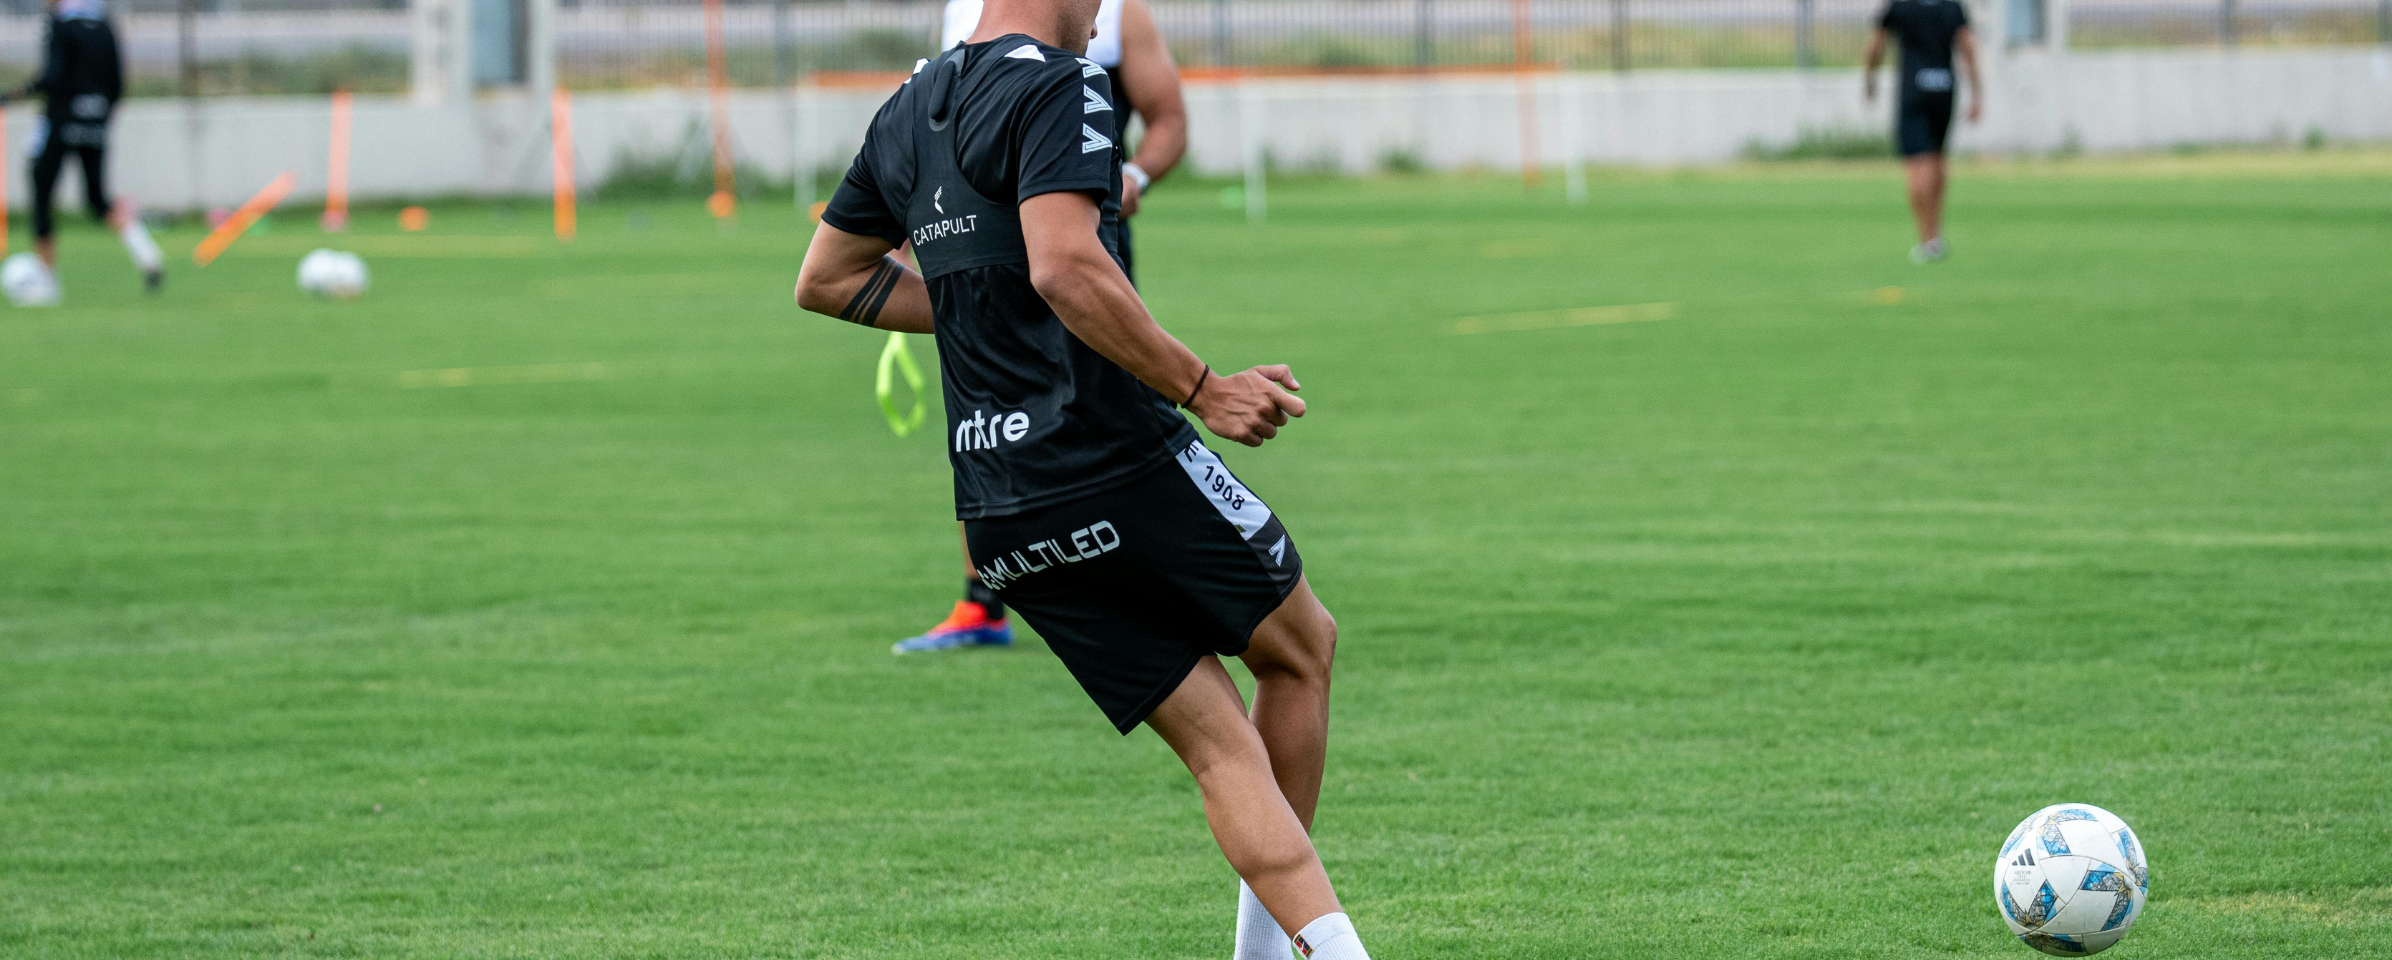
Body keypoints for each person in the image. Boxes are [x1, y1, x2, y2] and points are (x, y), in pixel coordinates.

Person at [791, 3, 1372, 956]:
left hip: (997, 506)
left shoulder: (906, 102)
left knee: (1221, 741)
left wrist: (979, 313)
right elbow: (1065, 267)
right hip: (1111, 459)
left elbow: (823, 276)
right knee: (1301, 645)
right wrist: (1204, 388)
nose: (1103, 8)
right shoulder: (1063, 83)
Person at [893, 0, 1187, 654]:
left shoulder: (1113, 15)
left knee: (1108, 406)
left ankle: (1146, 568)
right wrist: (914, 242)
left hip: (1082, 250)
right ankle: (982, 603)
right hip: (982, 263)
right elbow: (937, 145)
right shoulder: (963, 15)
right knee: (981, 416)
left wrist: (1135, 174)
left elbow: (1169, 120)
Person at [3, 0, 161, 293]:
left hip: (60, 121)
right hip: (97, 121)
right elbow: (116, 82)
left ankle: (47, 280)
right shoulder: (104, 26)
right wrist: (99, 113)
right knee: (98, 200)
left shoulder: (59, 25)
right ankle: (146, 252)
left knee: (42, 193)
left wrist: (16, 94)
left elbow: (54, 75)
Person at [1864, 0, 1980, 264]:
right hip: (1944, 86)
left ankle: (1926, 239)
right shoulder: (1951, 7)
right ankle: (1936, 235)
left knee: (1917, 163)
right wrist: (1976, 93)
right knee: (1938, 158)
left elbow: (1876, 45)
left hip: (1913, 90)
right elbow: (1967, 45)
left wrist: (1869, 79)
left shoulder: (1901, 6)